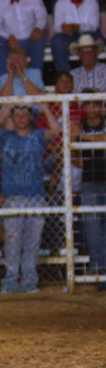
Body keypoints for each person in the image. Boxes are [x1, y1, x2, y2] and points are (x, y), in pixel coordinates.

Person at [0, 103, 61, 294]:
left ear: (31, 117)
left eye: (25, 114)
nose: (21, 117)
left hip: (36, 197)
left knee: (32, 242)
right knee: (13, 241)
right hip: (14, 198)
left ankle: (29, 281)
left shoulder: (38, 135)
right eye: (17, 114)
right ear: (12, 118)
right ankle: (10, 281)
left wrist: (44, 107)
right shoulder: (6, 137)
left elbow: (56, 130)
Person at [76, 97, 106, 288]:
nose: (93, 108)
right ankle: (101, 269)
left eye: (97, 104)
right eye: (89, 104)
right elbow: (76, 160)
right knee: (92, 229)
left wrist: (84, 138)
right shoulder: (78, 125)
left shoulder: (82, 129)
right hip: (89, 181)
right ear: (84, 107)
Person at [50, 0, 100, 75]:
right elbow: (57, 26)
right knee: (57, 41)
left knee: (92, 41)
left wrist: (78, 27)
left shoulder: (92, 1)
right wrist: (63, 27)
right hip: (68, 36)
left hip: (87, 34)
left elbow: (94, 25)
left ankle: (93, 77)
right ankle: (65, 77)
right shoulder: (60, 2)